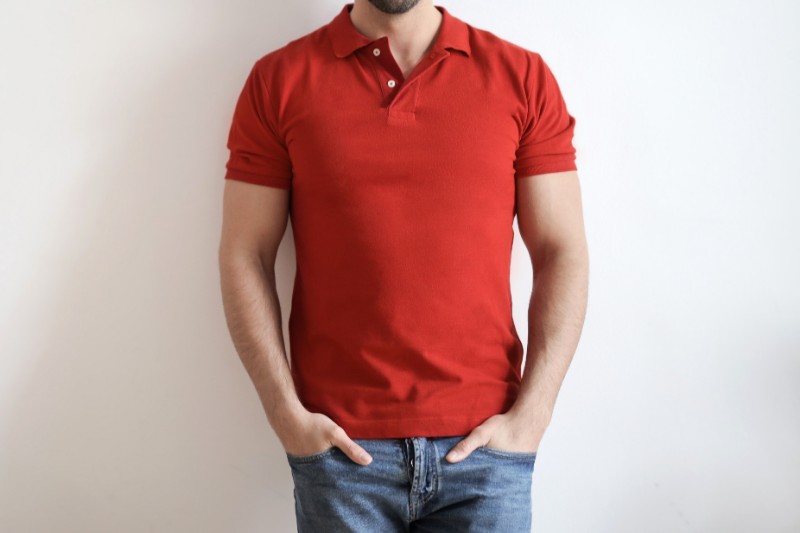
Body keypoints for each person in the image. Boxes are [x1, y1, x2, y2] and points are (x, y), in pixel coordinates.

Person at [218, 0, 588, 530]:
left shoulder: (522, 76)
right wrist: (285, 415)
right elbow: (245, 252)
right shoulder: (278, 80)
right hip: (343, 457)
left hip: (487, 454)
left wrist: (534, 415)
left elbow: (561, 250)